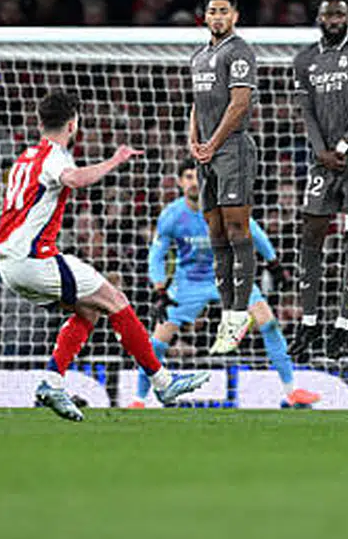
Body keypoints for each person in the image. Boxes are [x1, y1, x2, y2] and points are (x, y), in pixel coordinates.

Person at [0, 90, 208, 422]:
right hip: (34, 258)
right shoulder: (55, 155)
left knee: (90, 309)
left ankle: (52, 381)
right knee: (115, 300)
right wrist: (115, 159)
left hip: (8, 262)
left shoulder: (26, 157)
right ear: (73, 123)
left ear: (39, 122)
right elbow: (74, 179)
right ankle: (163, 382)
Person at [134, 158, 319, 408]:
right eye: (187, 177)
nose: (193, 182)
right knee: (157, 340)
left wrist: (274, 264)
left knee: (269, 322)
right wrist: (159, 288)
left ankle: (291, 391)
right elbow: (156, 255)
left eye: (196, 176)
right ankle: (139, 399)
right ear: (179, 182)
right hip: (189, 282)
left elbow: (254, 232)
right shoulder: (171, 216)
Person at [289, 0, 348, 361]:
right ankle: (309, 321)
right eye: (328, 14)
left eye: (340, 14)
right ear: (319, 18)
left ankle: (343, 325)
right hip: (323, 160)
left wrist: (343, 146)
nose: (334, 19)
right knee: (310, 233)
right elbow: (307, 112)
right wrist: (320, 152)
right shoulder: (304, 60)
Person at [188, 0, 259, 354]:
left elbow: (239, 103)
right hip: (208, 154)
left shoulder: (239, 51)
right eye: (212, 11)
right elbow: (197, 105)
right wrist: (193, 140)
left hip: (233, 149)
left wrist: (212, 143)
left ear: (235, 16)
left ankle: (238, 313)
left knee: (236, 228)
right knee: (215, 232)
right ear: (205, 16)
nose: (217, 17)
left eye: (223, 12)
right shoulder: (199, 57)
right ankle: (226, 315)